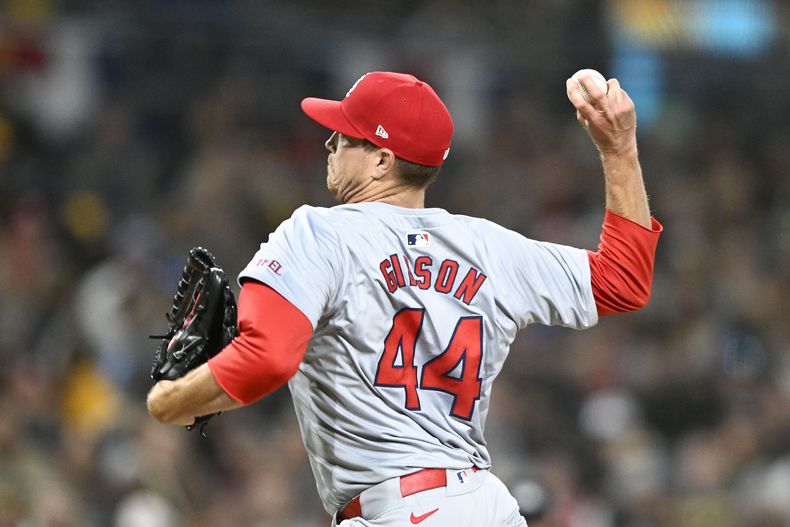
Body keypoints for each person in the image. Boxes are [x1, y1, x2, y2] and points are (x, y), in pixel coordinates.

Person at [147, 70, 662, 526]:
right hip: (484, 505)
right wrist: (619, 151)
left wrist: (169, 401)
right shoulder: (491, 247)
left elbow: (269, 357)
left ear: (382, 160)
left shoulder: (320, 234)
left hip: (397, 511)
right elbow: (622, 279)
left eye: (346, 136)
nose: (329, 142)